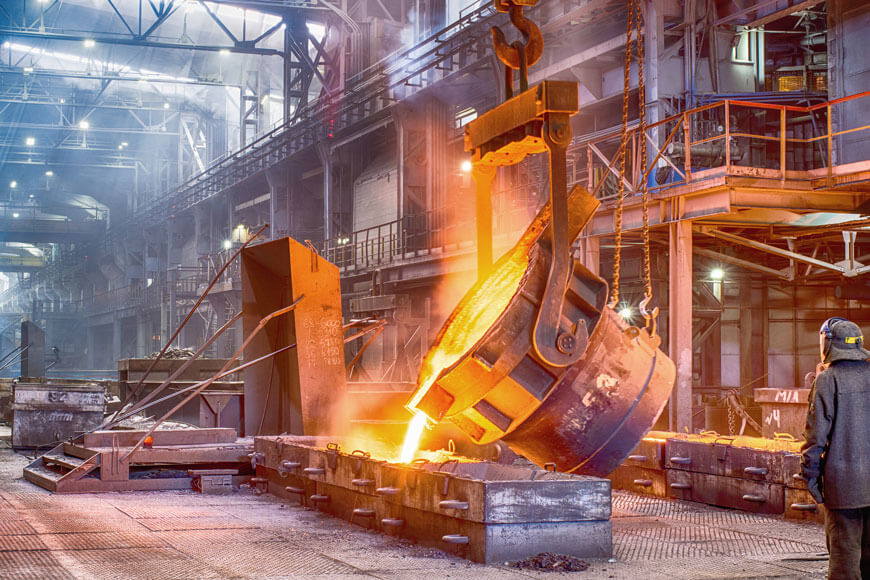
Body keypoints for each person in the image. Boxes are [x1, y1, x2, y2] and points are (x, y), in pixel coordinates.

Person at [802, 317, 870, 580]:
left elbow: (815, 436)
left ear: (828, 343)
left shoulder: (827, 380)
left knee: (844, 561)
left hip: (844, 488)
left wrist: (810, 475)